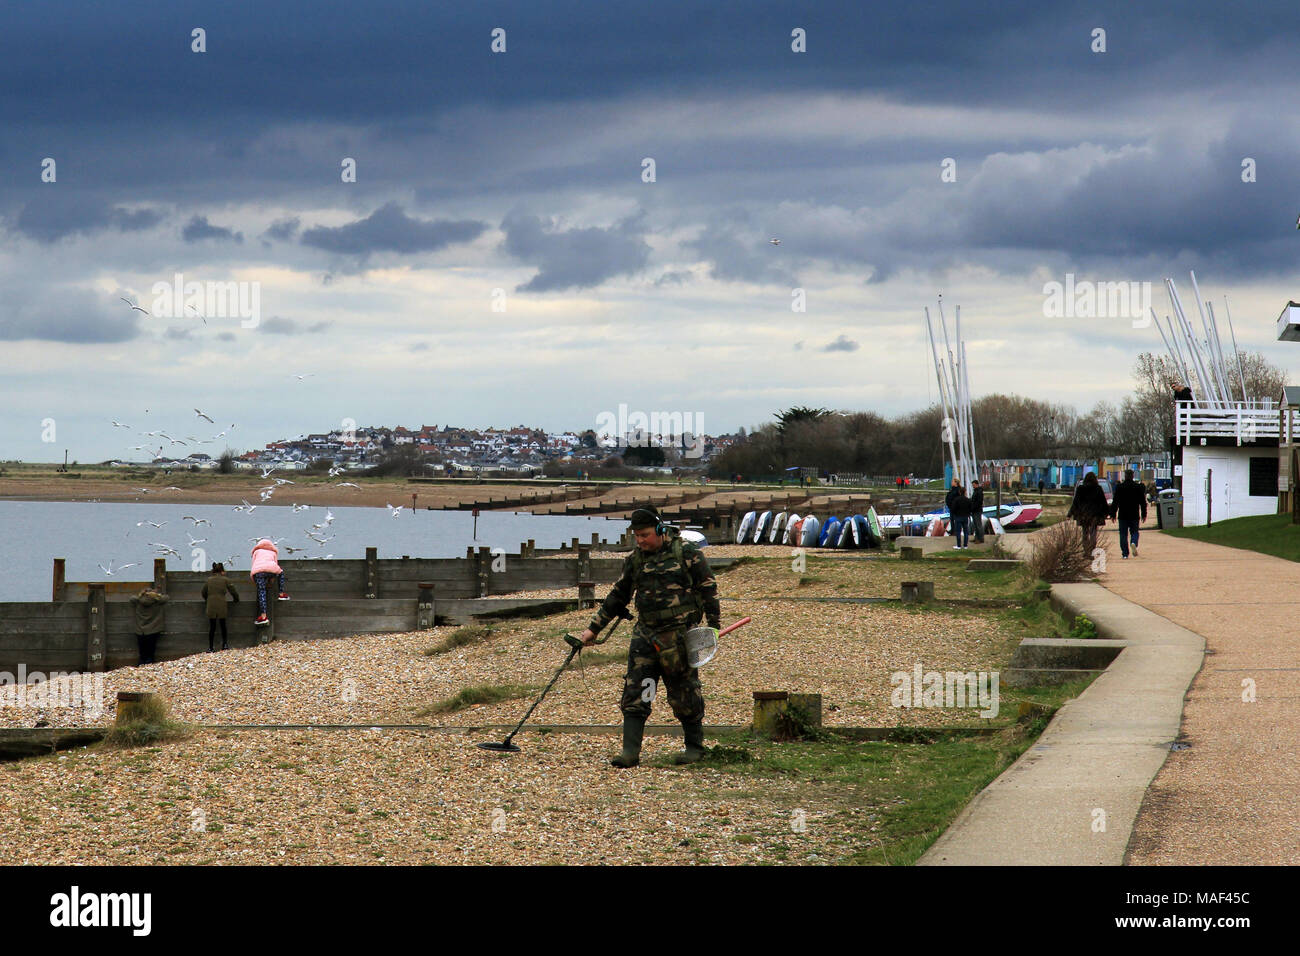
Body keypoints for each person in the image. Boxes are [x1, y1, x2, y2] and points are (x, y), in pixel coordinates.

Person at [579, 508, 721, 768]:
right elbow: (618, 595)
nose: (641, 541)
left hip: (678, 635)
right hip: (645, 635)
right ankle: (630, 752)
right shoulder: (636, 560)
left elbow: (708, 588)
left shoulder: (687, 554)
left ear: (659, 530)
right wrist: (593, 629)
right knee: (637, 690)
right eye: (636, 536)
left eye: (644, 535)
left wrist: (712, 627)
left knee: (683, 691)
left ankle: (695, 748)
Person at [249, 538, 289, 627]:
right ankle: (281, 593)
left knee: (261, 591)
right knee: (281, 572)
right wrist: (271, 580)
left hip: (258, 572)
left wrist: (254, 580)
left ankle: (263, 616)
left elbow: (253, 565)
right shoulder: (273, 552)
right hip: (271, 570)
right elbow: (276, 565)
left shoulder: (257, 552)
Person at [1110, 469, 1149, 559]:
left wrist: (1113, 514)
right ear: (1132, 476)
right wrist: (1144, 514)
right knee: (1135, 532)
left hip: (1123, 515)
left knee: (1123, 534)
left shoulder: (1119, 487)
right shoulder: (1138, 487)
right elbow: (1143, 502)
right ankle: (1133, 542)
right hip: (1134, 514)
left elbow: (1115, 501)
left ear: (1125, 476)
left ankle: (1125, 553)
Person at [202, 562, 240, 651]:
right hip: (221, 603)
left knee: (212, 626)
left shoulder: (209, 580)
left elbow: (203, 592)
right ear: (222, 571)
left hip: (211, 604)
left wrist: (207, 599)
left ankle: (211, 647)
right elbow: (233, 591)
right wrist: (236, 599)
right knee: (223, 625)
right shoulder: (225, 580)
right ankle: (225, 644)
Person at [1068, 472, 1110, 553]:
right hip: (1095, 514)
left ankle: (1086, 550)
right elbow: (1103, 502)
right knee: (1093, 532)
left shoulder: (1080, 488)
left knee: (1085, 532)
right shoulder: (1098, 488)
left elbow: (1076, 502)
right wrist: (1108, 513)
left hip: (1083, 514)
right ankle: (1092, 549)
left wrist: (1070, 514)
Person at [129, 586, 168, 665]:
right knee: (151, 651)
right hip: (153, 629)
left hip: (140, 630)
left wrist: (141, 595)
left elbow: (132, 598)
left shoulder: (138, 601)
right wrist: (156, 595)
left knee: (142, 651)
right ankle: (150, 664)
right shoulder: (158, 601)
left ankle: (141, 664)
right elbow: (166, 597)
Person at [945, 481, 971, 549]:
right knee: (966, 532)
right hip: (965, 517)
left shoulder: (956, 500)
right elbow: (970, 508)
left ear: (960, 492)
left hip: (958, 517)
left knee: (958, 531)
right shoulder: (968, 500)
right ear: (964, 492)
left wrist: (955, 514)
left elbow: (953, 508)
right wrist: (968, 514)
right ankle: (965, 545)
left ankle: (959, 545)